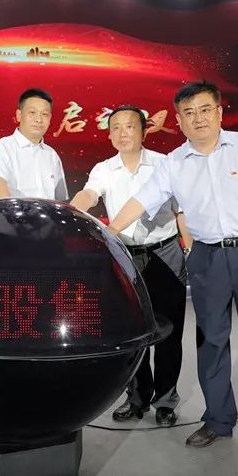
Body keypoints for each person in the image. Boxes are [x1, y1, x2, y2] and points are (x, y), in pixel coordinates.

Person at [106, 81, 238, 453]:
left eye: (205, 110)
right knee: (211, 342)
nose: (198, 119)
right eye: (188, 113)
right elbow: (140, 201)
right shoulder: (174, 163)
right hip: (207, 257)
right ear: (178, 121)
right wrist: (108, 233)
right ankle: (218, 420)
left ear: (219, 112)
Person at [71, 105, 190, 426]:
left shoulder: (164, 164)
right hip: (125, 255)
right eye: (116, 128)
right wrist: (72, 209)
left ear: (144, 131)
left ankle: (166, 401)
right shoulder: (104, 169)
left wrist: (189, 246)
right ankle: (137, 398)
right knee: (132, 330)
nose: (123, 133)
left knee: (169, 331)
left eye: (130, 126)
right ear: (110, 135)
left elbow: (181, 210)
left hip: (165, 252)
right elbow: (89, 194)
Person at [0, 88, 68, 200]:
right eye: (32, 112)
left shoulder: (52, 155)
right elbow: (0, 195)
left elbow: (60, 201)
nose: (38, 119)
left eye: (44, 114)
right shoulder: (0, 148)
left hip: (48, 212)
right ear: (19, 115)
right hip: (11, 211)